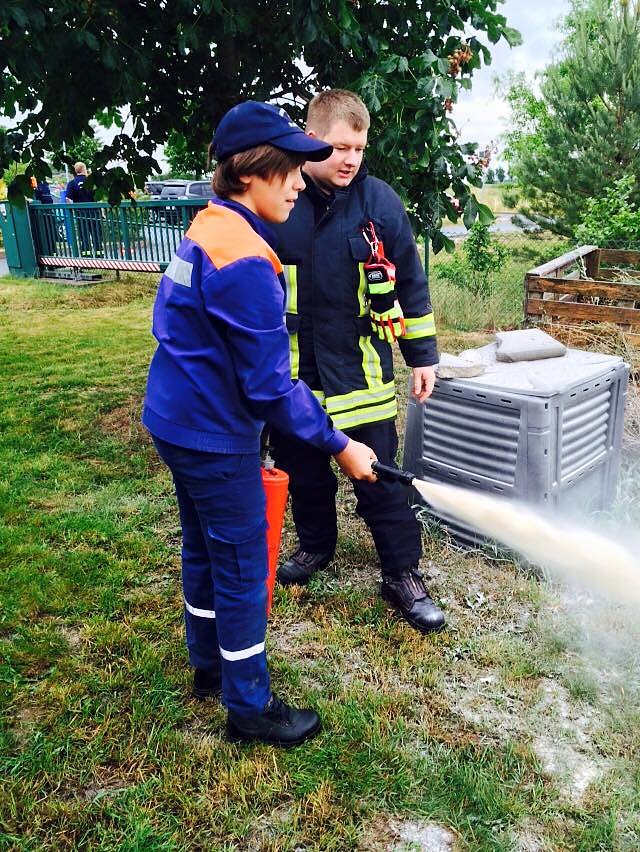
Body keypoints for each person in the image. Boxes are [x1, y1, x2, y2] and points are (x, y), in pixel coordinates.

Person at [141, 101, 377, 747]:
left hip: (174, 417)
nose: (302, 182)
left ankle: (210, 666)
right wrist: (340, 445)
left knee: (203, 547)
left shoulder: (210, 225)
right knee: (244, 566)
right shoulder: (247, 259)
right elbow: (271, 385)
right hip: (211, 434)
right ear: (251, 172)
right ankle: (249, 705)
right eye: (291, 171)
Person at [271, 89, 446, 634]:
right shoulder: (282, 200)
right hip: (296, 372)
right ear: (309, 140)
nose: (350, 159)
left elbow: (411, 283)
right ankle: (316, 545)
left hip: (361, 370)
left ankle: (402, 573)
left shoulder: (380, 203)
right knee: (304, 471)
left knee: (380, 477)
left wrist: (422, 357)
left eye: (359, 148)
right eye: (338, 146)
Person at [66, 161, 102, 254]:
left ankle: (86, 254)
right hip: (94, 212)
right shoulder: (92, 182)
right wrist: (102, 212)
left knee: (83, 234)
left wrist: (73, 210)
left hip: (80, 213)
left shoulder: (72, 183)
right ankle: (99, 254)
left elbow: (68, 199)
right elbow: (98, 197)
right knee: (96, 234)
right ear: (84, 169)